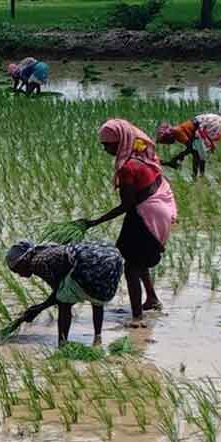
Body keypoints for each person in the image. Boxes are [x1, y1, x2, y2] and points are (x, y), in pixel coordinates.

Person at [79, 119, 177, 327]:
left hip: (145, 214)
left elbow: (126, 204)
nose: (105, 148)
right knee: (138, 259)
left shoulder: (128, 168)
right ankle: (151, 298)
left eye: (107, 144)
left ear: (120, 142)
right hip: (157, 209)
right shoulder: (142, 156)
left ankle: (137, 317)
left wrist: (94, 222)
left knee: (131, 267)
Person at [5, 240, 123, 346]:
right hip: (109, 263)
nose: (19, 275)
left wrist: (39, 308)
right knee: (97, 300)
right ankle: (98, 338)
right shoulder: (47, 250)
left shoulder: (37, 263)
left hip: (89, 265)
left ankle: (62, 343)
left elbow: (58, 294)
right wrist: (40, 308)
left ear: (24, 260)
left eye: (17, 270)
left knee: (64, 304)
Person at [156, 113, 221, 178]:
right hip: (209, 121)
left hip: (210, 122)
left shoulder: (177, 131)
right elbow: (192, 149)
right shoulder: (177, 132)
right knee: (199, 152)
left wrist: (177, 157)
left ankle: (199, 175)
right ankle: (198, 175)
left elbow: (191, 148)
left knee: (199, 152)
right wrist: (179, 157)